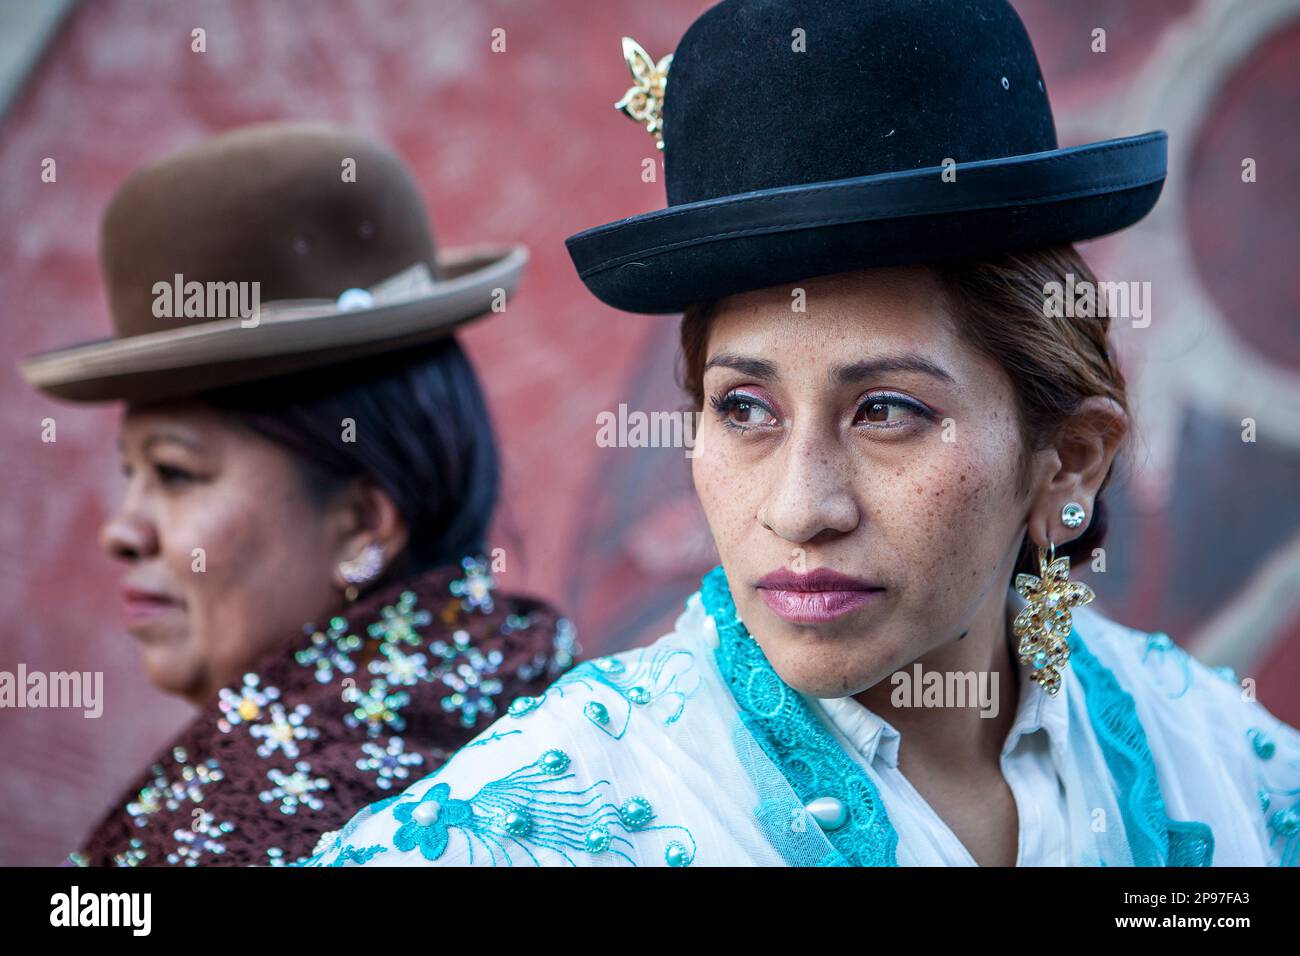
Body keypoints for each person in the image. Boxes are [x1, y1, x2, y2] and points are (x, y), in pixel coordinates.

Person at [302, 0, 1298, 867]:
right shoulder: (540, 826)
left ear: (1068, 456)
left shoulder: (1220, 765)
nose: (798, 506)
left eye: (888, 411)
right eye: (743, 409)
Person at [19, 122, 577, 866]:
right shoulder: (553, 695)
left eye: (177, 473)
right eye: (132, 473)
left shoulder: (221, 838)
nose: (121, 531)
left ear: (360, 524)